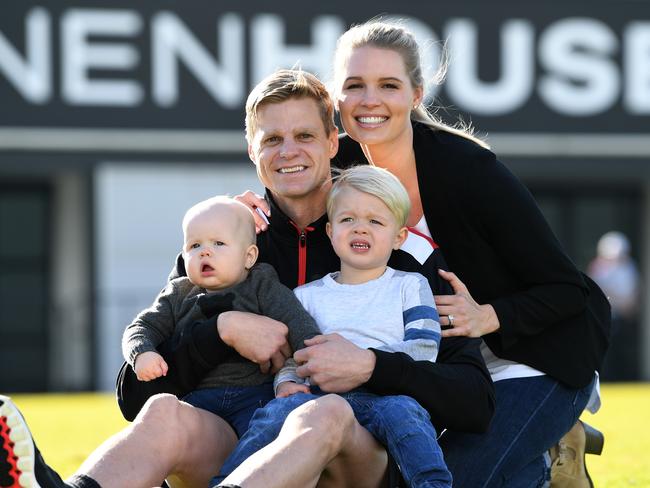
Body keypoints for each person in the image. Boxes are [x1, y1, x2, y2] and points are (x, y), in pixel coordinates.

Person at [0, 69, 494, 488]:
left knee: (322, 413)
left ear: (332, 141)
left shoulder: (391, 244)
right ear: (251, 149)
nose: (288, 152)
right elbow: (136, 397)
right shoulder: (223, 242)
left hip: (354, 455)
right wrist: (219, 332)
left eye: (304, 136)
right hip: (244, 445)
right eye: (272, 139)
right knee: (164, 415)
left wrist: (371, 367)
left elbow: (473, 399)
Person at [327, 20, 609, 488]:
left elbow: (567, 289)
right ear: (338, 98)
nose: (369, 100)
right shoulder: (344, 178)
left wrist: (488, 317)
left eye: (388, 85)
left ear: (416, 94)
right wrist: (243, 213)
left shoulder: (467, 169)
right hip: (455, 375)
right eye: (355, 86)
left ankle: (555, 426)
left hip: (535, 356)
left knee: (454, 481)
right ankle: (553, 452)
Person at [214, 165, 452, 487]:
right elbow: (293, 357)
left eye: (375, 221)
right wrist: (284, 383)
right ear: (330, 232)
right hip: (314, 396)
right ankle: (228, 480)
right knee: (273, 415)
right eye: (347, 219)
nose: (360, 229)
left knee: (408, 416)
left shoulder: (411, 286)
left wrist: (363, 361)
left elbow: (424, 350)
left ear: (399, 237)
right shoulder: (305, 296)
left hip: (386, 396)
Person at [122, 196, 321, 438]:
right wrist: (142, 352)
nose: (205, 252)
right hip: (197, 398)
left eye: (218, 243)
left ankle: (239, 477)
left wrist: (315, 360)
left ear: (249, 256)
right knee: (163, 429)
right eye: (194, 246)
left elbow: (298, 322)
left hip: (254, 394)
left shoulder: (262, 285)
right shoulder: (179, 293)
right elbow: (142, 326)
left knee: (265, 433)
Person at [588, 231, 641, 380]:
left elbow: (632, 295)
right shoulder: (598, 267)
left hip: (622, 317)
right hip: (605, 316)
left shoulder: (629, 268)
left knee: (622, 352)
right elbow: (597, 291)